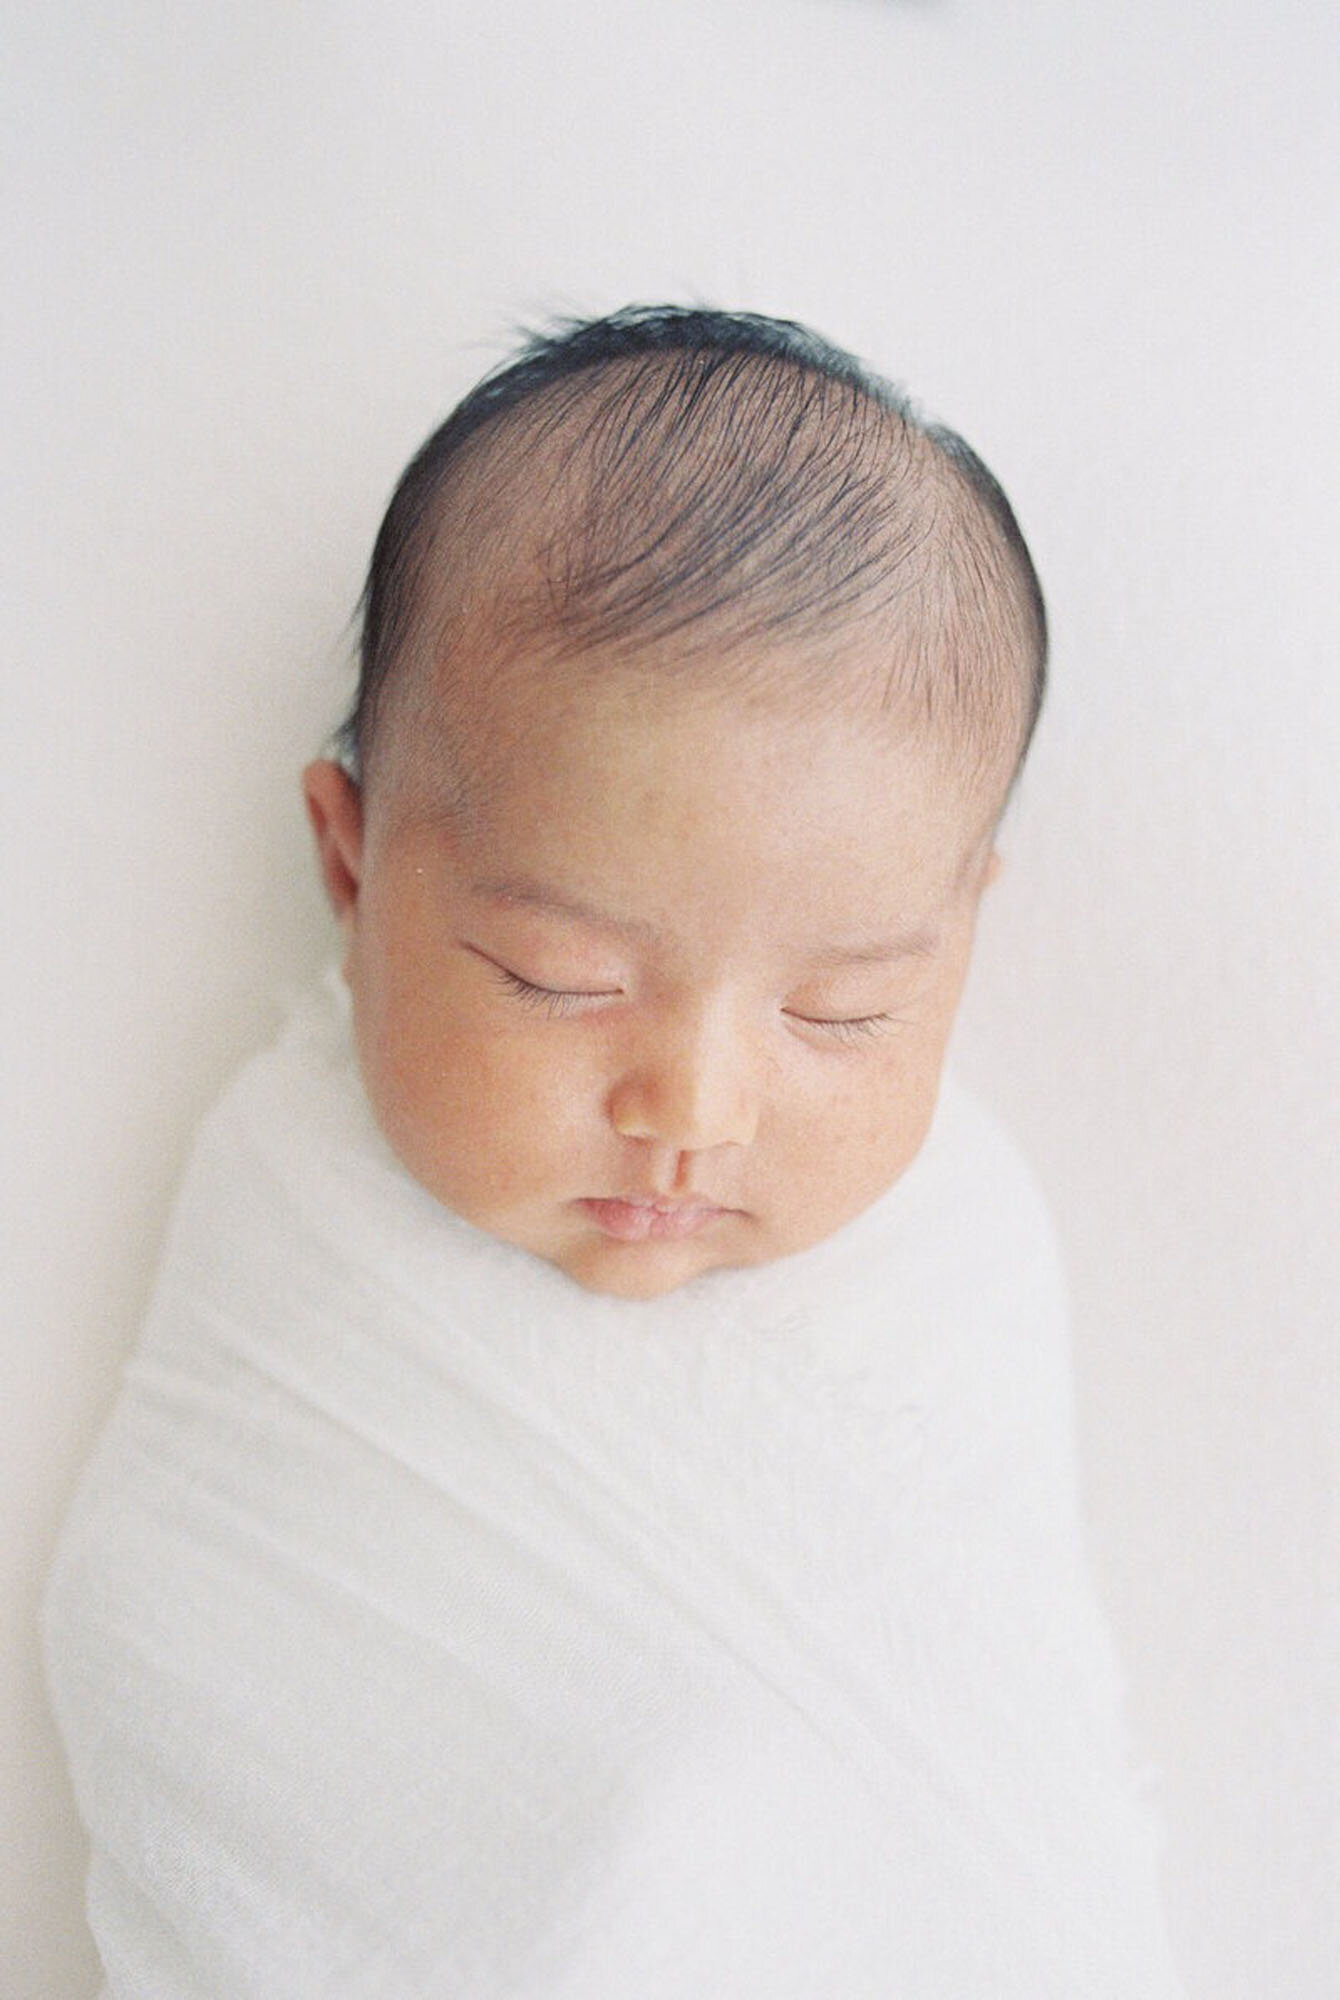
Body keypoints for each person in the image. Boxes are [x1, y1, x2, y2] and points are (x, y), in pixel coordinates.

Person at [43, 306, 1186, 1996]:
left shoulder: (956, 1258)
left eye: (844, 1009)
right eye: (558, 981)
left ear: (961, 934)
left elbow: (981, 1758)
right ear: (351, 872)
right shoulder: (288, 1191)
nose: (696, 1108)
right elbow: (181, 1642)